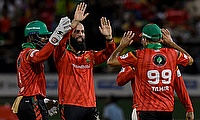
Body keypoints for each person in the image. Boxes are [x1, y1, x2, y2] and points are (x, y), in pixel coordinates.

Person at [107, 23, 194, 120]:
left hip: (144, 109)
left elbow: (111, 62)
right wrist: (172, 44)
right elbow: (190, 60)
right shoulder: (173, 55)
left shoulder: (137, 56)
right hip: (166, 110)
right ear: (161, 39)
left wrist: (122, 46)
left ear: (144, 39)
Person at [53, 2, 116, 120]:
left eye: (82, 32)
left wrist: (109, 38)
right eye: (77, 32)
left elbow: (108, 53)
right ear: (70, 35)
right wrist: (74, 23)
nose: (80, 34)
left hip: (90, 106)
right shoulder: (62, 56)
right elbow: (60, 43)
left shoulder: (89, 56)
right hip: (70, 106)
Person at [11, 15, 72, 120]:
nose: (45, 40)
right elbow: (40, 56)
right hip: (30, 100)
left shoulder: (24, 53)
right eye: (43, 36)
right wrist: (56, 35)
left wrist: (42, 100)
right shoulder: (29, 52)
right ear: (31, 37)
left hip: (28, 99)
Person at [117, 66, 194, 120]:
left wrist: (189, 108)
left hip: (164, 110)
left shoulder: (170, 58)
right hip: (143, 109)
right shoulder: (135, 57)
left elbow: (180, 86)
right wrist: (135, 68)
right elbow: (120, 81)